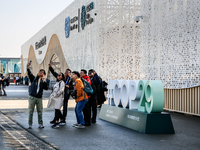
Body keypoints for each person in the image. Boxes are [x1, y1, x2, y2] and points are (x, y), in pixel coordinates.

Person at [26, 62, 48, 129]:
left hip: (39, 98)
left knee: (40, 112)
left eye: (42, 72)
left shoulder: (43, 81)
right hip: (32, 97)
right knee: (30, 111)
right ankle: (30, 124)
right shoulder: (34, 79)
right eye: (39, 71)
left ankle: (40, 124)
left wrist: (44, 81)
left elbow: (46, 88)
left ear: (44, 74)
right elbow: (29, 73)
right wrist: (27, 67)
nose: (40, 72)